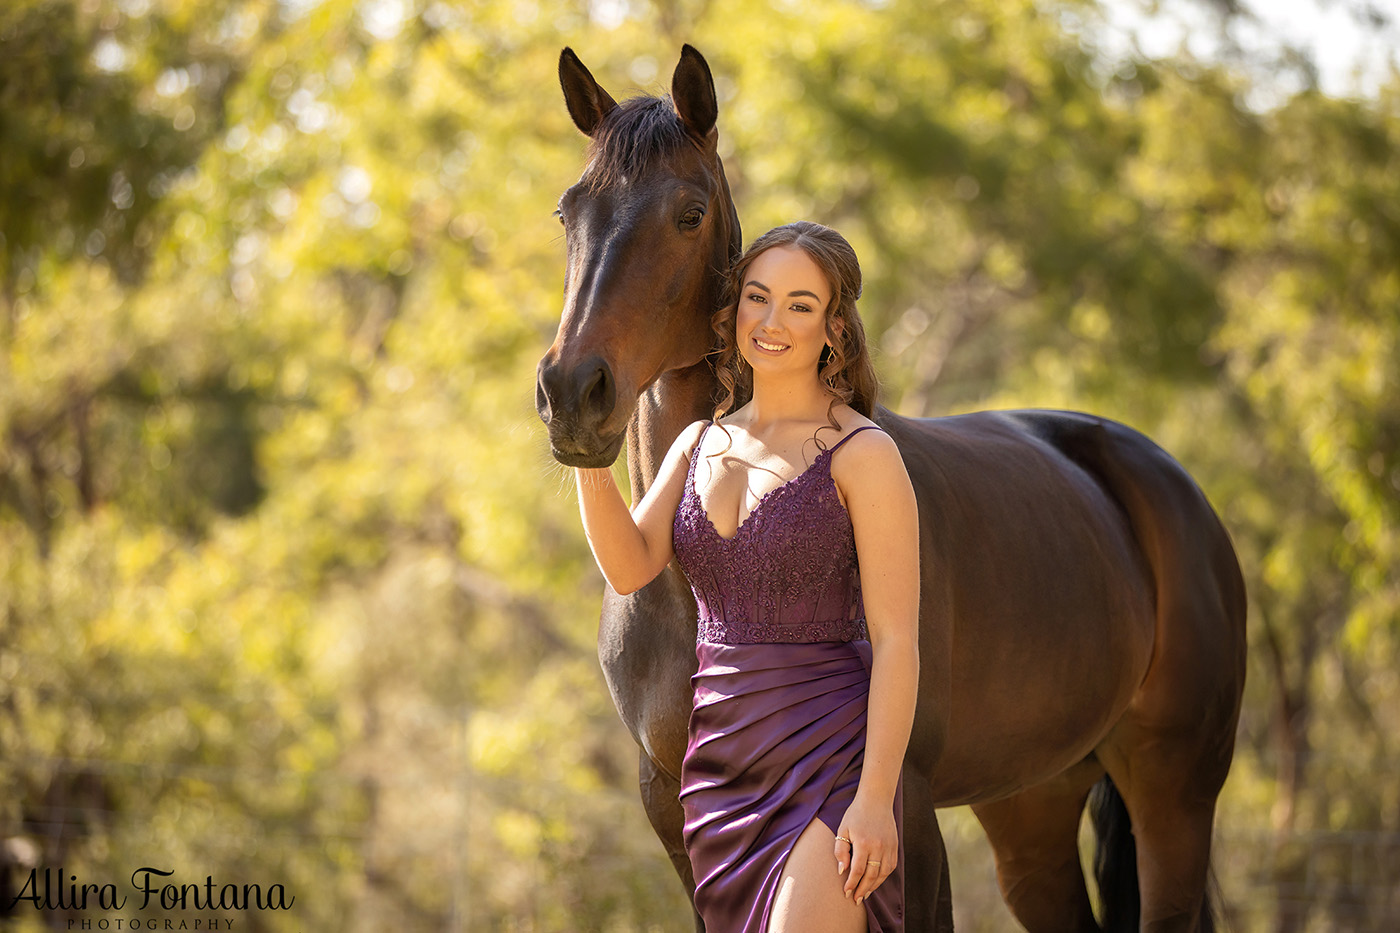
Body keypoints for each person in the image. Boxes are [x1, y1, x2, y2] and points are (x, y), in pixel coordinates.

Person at [573, 221, 920, 932]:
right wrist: (586, 452)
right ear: (731, 315)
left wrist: (877, 796)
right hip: (721, 775)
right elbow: (629, 563)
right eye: (757, 298)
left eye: (799, 304)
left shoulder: (864, 453)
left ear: (835, 327)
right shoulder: (702, 442)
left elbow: (896, 641)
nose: (771, 321)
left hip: (830, 763)